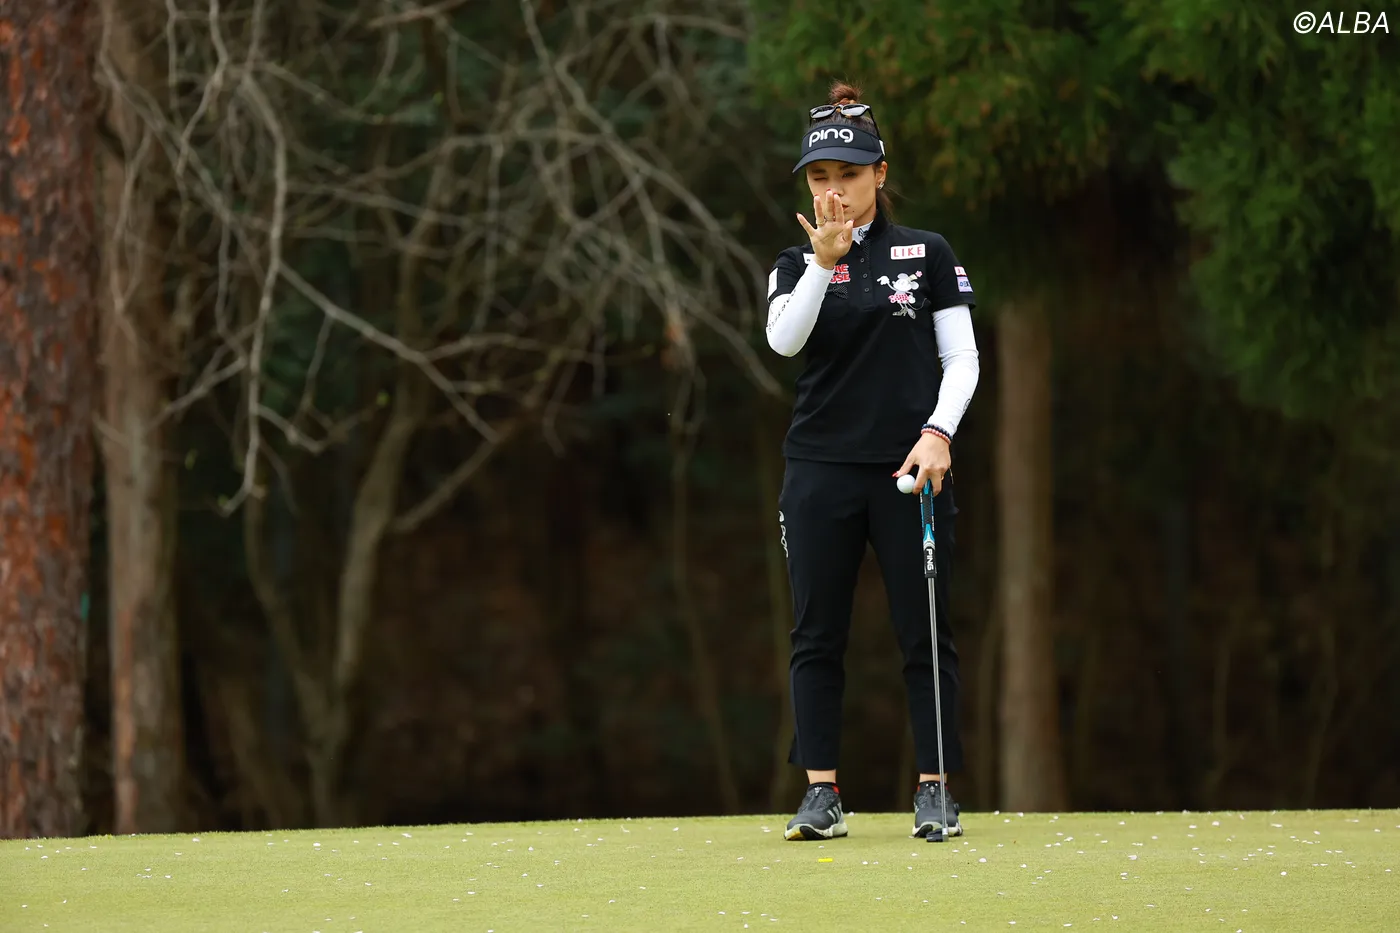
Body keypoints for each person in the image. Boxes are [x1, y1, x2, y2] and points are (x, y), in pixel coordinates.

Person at [765, 81, 980, 841]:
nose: (836, 191)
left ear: (880, 174)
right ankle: (821, 794)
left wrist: (939, 433)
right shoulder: (794, 262)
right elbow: (783, 342)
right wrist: (823, 264)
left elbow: (962, 359)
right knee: (816, 634)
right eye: (821, 177)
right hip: (818, 469)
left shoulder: (928, 253)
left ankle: (936, 788)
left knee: (925, 631)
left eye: (850, 175)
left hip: (910, 466)